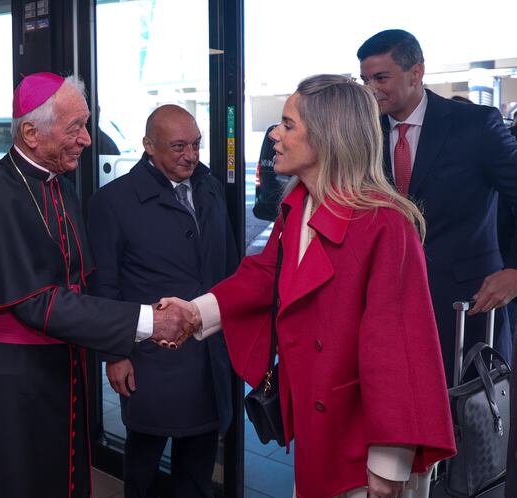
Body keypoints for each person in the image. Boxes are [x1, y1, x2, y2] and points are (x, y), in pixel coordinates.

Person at [162, 75, 456, 498]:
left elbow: (398, 349)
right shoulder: (297, 206)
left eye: (287, 124)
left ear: (327, 136)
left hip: (365, 442)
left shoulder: (385, 225)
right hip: (320, 427)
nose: (275, 136)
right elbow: (265, 275)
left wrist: (389, 465)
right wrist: (195, 313)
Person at [0, 72, 196, 498]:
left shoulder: (63, 188)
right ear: (30, 132)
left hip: (56, 373)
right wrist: (149, 320)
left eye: (86, 125)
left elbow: (81, 282)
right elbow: (39, 304)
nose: (87, 140)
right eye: (74, 127)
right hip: (8, 387)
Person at [87, 104, 237, 497]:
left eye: (196, 145)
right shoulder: (113, 202)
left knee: (200, 460)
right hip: (151, 356)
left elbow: (229, 266)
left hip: (208, 348)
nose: (191, 155)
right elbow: (105, 286)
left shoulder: (211, 188)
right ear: (148, 146)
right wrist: (115, 354)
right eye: (178, 147)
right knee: (145, 461)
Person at [357, 29, 517, 383]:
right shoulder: (365, 135)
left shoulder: (475, 126)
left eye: (381, 77)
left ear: (416, 72)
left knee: (468, 426)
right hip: (386, 310)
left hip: (466, 312)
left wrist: (515, 272)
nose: (371, 89)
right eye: (365, 79)